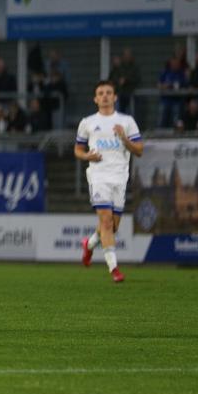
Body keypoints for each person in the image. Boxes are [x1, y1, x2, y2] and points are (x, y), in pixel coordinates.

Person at [75, 80, 143, 283]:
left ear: (114, 97)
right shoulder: (87, 122)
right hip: (98, 175)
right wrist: (87, 156)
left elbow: (139, 150)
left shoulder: (127, 121)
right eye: (100, 93)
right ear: (95, 99)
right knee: (105, 221)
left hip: (119, 177)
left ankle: (89, 244)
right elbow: (78, 150)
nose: (104, 96)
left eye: (108, 92)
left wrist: (125, 139)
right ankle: (114, 269)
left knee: (112, 227)